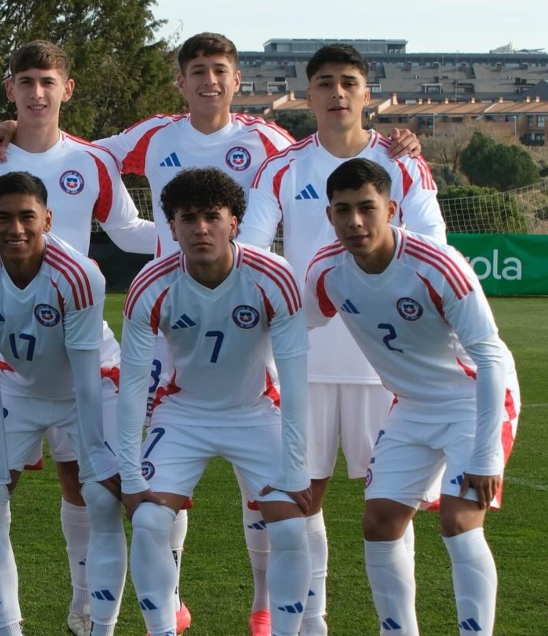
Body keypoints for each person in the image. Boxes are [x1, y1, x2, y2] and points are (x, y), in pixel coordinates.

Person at [0, 33, 420, 634]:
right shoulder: (154, 136)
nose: (208, 81)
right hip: (169, 317)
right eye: (196, 71)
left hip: (249, 317)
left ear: (236, 80)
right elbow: (73, 152)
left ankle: (268, 604)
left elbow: (337, 160)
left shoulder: (269, 143)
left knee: (264, 488)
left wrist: (398, 145)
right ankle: (174, 598)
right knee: (166, 480)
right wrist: (13, 130)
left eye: (219, 71)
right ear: (180, 81)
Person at [0, 39, 151, 636]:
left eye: (46, 82)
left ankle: (86, 609)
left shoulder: (91, 162)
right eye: (25, 81)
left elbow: (130, 232)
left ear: (65, 90)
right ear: (11, 89)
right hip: (8, 352)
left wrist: (210, 241)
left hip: (79, 341)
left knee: (85, 484)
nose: (36, 93)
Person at [241, 43, 446, 635]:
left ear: (366, 94)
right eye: (324, 83)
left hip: (387, 365)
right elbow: (254, 250)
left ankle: (397, 627)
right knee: (301, 502)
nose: (336, 93)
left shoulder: (404, 163)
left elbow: (435, 241)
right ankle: (311, 625)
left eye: (348, 82)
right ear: (308, 97)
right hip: (303, 359)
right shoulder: (283, 167)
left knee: (391, 514)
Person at [305, 158, 520, 635]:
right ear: (330, 216)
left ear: (392, 209)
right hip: (412, 407)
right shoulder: (327, 271)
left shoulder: (437, 265)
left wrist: (485, 453)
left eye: (367, 207)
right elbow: (296, 326)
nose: (355, 221)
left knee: (459, 521)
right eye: (343, 210)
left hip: (473, 398)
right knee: (380, 522)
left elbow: (489, 356)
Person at [116, 168, 311, 636]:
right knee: (147, 521)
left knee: (288, 527)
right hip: (183, 415)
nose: (201, 228)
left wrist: (296, 465)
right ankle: (162, 627)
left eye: (212, 217)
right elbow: (131, 381)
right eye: (188, 218)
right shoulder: (151, 284)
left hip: (255, 411)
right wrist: (128, 472)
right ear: (173, 227)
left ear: (234, 222)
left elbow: (297, 377)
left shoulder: (273, 276)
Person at [0, 172, 126, 636]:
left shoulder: (79, 274)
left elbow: (85, 381)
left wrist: (99, 458)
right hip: (17, 384)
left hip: (92, 382)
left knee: (103, 497)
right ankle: (3, 622)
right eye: (3, 218)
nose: (16, 228)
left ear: (47, 218)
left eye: (28, 216)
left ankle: (93, 618)